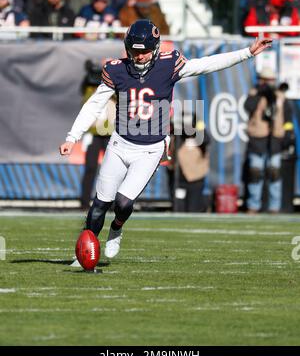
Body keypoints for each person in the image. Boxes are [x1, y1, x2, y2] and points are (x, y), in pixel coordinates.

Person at [59, 20, 272, 262]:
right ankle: (84, 252)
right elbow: (94, 105)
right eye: (135, 51)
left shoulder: (168, 64)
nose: (139, 56)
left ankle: (117, 227)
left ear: (156, 47)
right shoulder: (116, 69)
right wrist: (72, 136)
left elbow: (206, 65)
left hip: (150, 149)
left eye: (144, 51)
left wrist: (247, 53)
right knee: (99, 204)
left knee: (123, 202)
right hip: (119, 144)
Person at [244, 67, 294, 214]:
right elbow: (248, 107)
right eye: (266, 80)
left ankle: (274, 207)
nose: (268, 83)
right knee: (255, 172)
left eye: (271, 80)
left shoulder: (280, 97)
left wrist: (288, 135)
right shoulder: (255, 93)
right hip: (258, 139)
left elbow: (287, 118)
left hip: (275, 139)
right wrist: (260, 93)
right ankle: (253, 205)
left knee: (274, 173)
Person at [80, 60, 116, 211]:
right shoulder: (88, 89)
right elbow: (84, 86)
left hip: (108, 133)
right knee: (90, 168)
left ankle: (112, 202)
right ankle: (84, 201)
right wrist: (91, 72)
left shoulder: (112, 89)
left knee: (113, 169)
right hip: (94, 134)